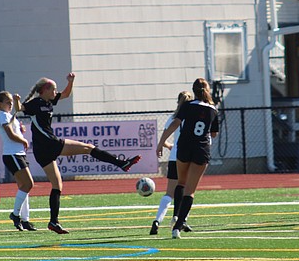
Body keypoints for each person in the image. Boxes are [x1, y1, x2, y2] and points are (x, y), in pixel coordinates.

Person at [20, 72, 141, 234]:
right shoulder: (36, 103)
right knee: (88, 148)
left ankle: (53, 222)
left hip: (42, 150)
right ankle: (121, 163)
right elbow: (21, 108)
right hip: (49, 144)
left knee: (57, 185)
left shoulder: (49, 101)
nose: (56, 92)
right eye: (53, 89)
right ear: (45, 89)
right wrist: (15, 100)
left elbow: (66, 94)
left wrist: (71, 81)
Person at [156, 78, 219, 239]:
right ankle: (178, 226)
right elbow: (213, 133)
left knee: (181, 183)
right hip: (201, 149)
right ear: (207, 90)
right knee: (190, 191)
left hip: (183, 147)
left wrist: (161, 142)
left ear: (194, 90)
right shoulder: (213, 109)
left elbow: (175, 124)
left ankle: (176, 216)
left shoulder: (186, 106)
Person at [150, 90, 194, 235]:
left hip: (174, 157)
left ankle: (157, 220)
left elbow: (166, 135)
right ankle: (181, 219)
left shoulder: (173, 117)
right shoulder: (193, 117)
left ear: (178, 102)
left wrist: (165, 145)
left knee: (170, 193)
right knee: (187, 191)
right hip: (188, 157)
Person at [0, 90, 37, 231]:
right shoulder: (3, 116)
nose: (10, 104)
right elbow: (10, 135)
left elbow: (15, 130)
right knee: (28, 184)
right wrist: (23, 140)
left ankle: (25, 220)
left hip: (17, 154)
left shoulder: (8, 116)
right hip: (12, 154)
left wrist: (20, 128)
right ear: (0, 104)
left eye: (11, 102)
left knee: (24, 187)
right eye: (8, 102)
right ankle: (15, 214)